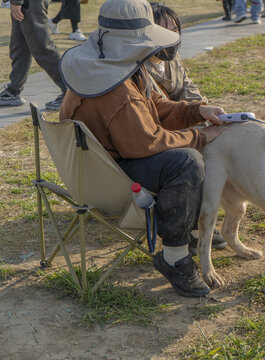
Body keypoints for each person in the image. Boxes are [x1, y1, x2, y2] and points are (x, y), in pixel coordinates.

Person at [59, 0, 229, 297]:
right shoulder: (117, 91)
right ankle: (174, 257)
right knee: (186, 162)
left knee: (183, 153)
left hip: (92, 165)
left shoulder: (107, 65)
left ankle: (186, 232)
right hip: (109, 177)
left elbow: (155, 107)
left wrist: (196, 112)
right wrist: (201, 137)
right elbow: (148, 142)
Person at [146, 2, 227, 253]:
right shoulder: (137, 69)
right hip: (160, 135)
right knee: (191, 157)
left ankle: (199, 215)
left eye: (176, 29)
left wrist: (203, 110)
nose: (173, 36)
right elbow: (155, 117)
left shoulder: (171, 58)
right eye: (166, 30)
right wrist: (195, 126)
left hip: (179, 123)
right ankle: (188, 226)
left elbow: (188, 88)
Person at [0, 0, 67, 110]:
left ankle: (71, 92)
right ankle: (13, 91)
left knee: (43, 49)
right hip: (26, 3)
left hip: (29, 3)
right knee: (20, 47)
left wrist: (16, 2)